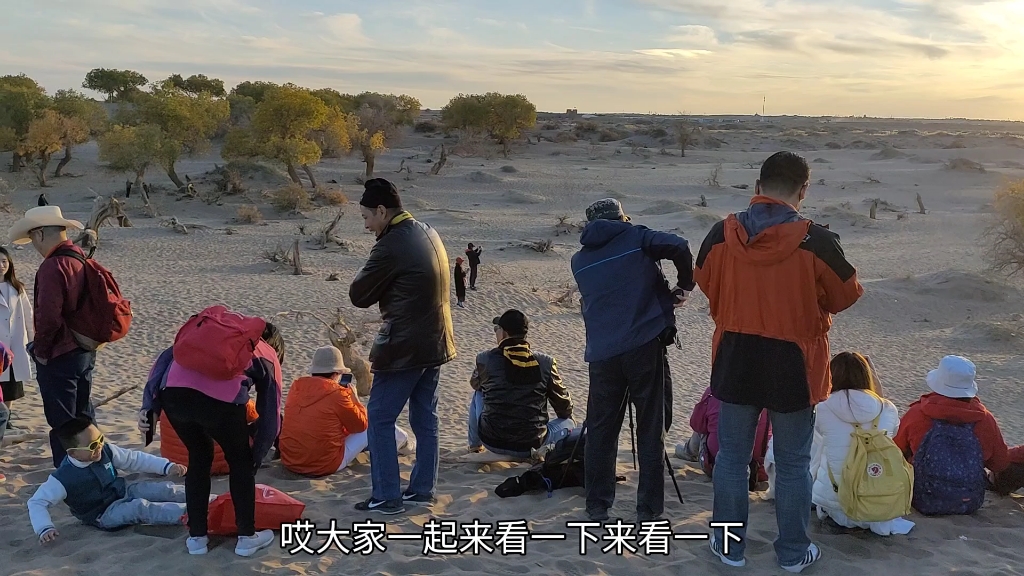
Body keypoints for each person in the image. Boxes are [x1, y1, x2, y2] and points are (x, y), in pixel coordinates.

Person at [694, 151, 863, 572]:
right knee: (791, 464)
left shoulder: (721, 233)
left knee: (732, 459)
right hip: (794, 362)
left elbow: (704, 281)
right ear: (803, 190)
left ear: (757, 186)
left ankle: (729, 547)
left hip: (735, 353)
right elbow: (846, 294)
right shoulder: (817, 240)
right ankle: (791, 552)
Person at [570, 198, 693, 523]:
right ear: (621, 218)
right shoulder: (636, 236)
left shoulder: (579, 260)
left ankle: (597, 505)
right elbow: (679, 246)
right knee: (651, 428)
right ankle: (648, 511)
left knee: (600, 431)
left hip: (602, 354)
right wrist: (683, 287)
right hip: (644, 345)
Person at [350, 178, 456, 515]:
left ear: (382, 211)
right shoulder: (428, 230)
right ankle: (423, 489)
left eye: (367, 217)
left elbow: (359, 294)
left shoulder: (392, 243)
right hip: (435, 340)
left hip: (405, 346)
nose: (366, 225)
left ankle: (386, 496)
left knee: (379, 417)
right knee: (426, 416)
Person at [139, 320, 284, 557]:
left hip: (173, 397)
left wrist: (150, 406)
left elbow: (165, 358)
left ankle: (196, 539)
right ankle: (247, 537)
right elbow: (270, 412)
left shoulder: (207, 333)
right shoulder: (265, 352)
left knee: (199, 457)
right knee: (240, 461)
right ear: (275, 345)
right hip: (221, 404)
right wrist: (256, 456)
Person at [8, 205, 95, 468]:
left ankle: (72, 478)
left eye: (33, 238)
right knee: (84, 416)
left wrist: (41, 352)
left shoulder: (52, 266)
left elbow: (48, 318)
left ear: (39, 234)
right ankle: (95, 467)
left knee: (63, 422)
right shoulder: (80, 258)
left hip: (61, 353)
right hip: (84, 348)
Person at [894, 355, 1024, 514]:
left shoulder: (917, 414)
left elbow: (895, 451)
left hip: (922, 498)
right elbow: (1000, 464)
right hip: (970, 501)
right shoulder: (985, 420)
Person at [28, 418, 189, 544]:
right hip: (103, 513)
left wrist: (166, 466)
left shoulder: (105, 450)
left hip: (122, 490)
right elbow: (37, 502)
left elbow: (134, 459)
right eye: (92, 445)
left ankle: (208, 500)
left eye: (100, 439)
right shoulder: (63, 478)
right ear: (74, 453)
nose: (99, 446)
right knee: (139, 507)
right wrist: (44, 527)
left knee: (162, 489)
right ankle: (192, 514)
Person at [809, 352, 913, 535]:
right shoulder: (887, 408)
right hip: (879, 504)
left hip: (837, 505)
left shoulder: (822, 408)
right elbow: (891, 432)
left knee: (819, 444)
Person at [279, 346, 408, 477]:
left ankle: (403, 444)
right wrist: (355, 400)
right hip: (323, 464)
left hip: (291, 460)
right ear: (336, 373)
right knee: (377, 423)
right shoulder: (337, 394)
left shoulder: (296, 388)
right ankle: (405, 446)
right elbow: (361, 426)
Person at [468, 310, 575, 458]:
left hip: (492, 441)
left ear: (504, 334)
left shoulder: (485, 359)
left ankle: (475, 447)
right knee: (569, 423)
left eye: (496, 329)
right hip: (531, 443)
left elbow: (475, 384)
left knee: (478, 393)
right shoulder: (545, 362)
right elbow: (564, 408)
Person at [684, 387, 771, 489]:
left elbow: (696, 424)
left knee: (704, 425)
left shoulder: (715, 390)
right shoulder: (768, 396)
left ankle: (688, 451)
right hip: (761, 470)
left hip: (717, 465)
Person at [0, 246, 34, 431]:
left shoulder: (16, 288)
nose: (1, 265)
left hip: (15, 344)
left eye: (4, 261)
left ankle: (7, 417)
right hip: (0, 345)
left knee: (11, 385)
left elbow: (28, 315)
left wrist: (32, 340)